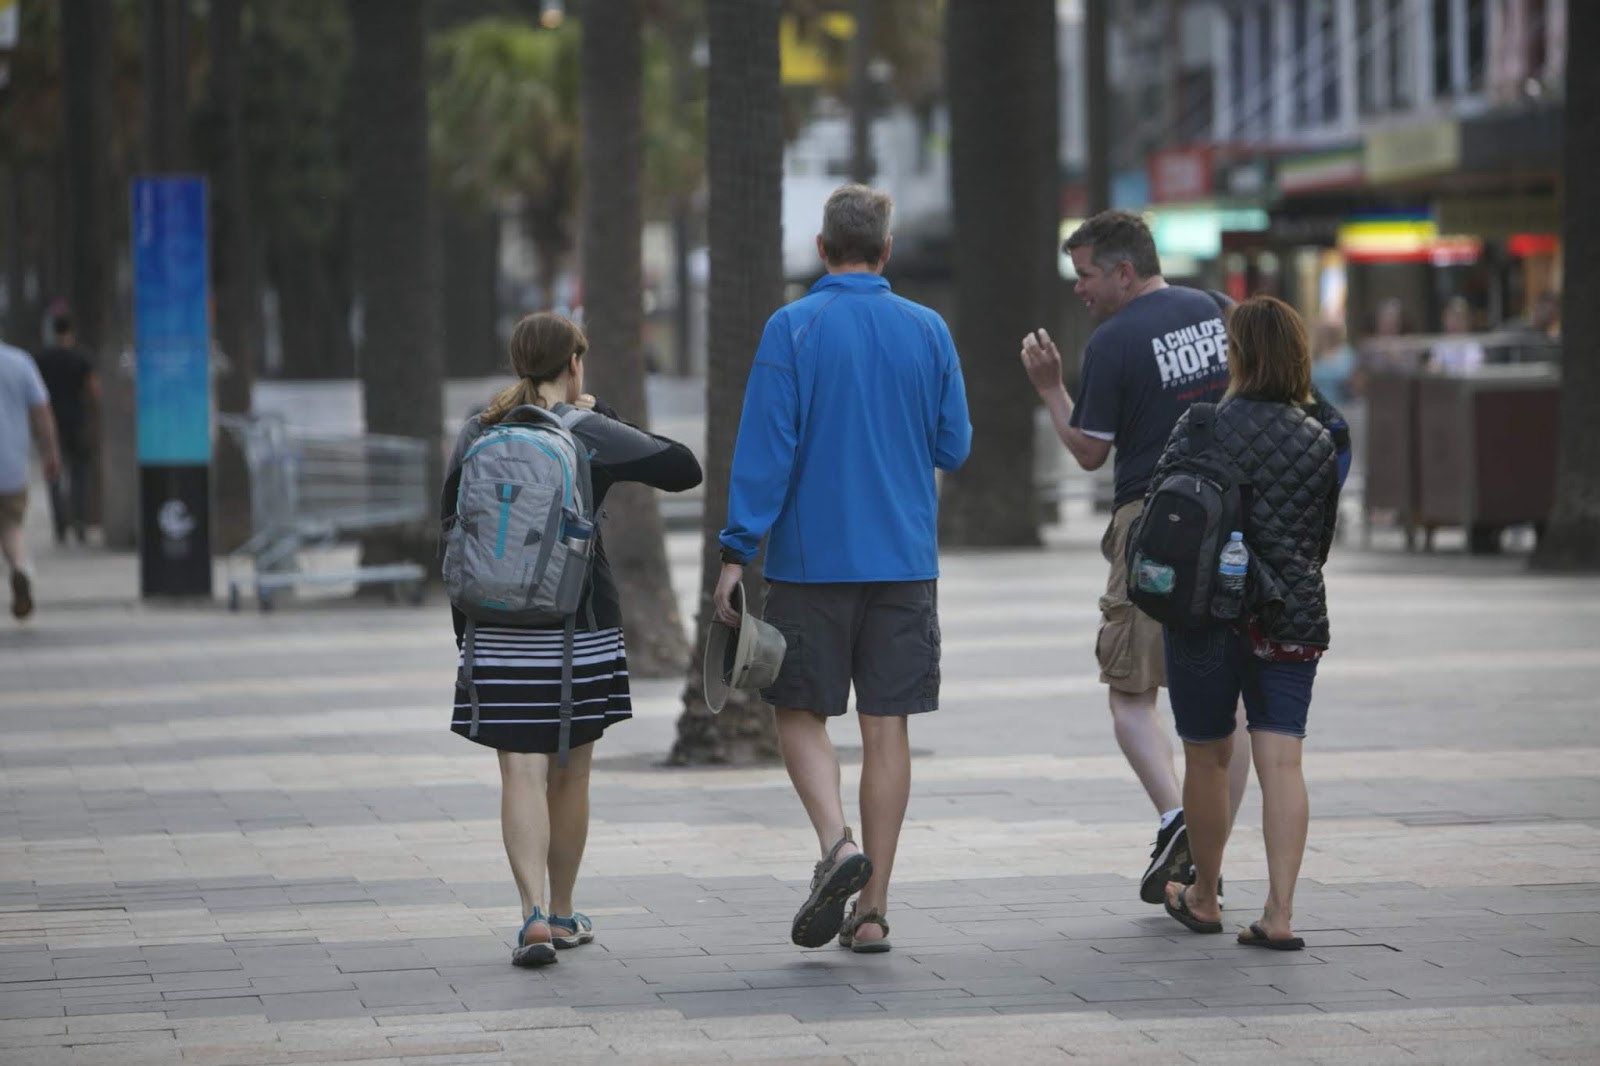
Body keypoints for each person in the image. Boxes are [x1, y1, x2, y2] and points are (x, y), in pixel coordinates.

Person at [714, 183, 971, 954]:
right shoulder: (928, 329)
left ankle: (836, 843)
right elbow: (953, 445)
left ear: (822, 248)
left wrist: (736, 553)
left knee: (799, 712)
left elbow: (766, 450)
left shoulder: (791, 327)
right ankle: (873, 910)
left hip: (809, 564)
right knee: (886, 725)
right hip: (904, 562)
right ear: (886, 251)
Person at [442, 311, 701, 967]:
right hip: (575, 629)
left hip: (493, 629)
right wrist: (602, 413)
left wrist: (468, 634)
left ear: (518, 363)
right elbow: (683, 467)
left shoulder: (479, 428)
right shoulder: (586, 430)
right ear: (574, 363)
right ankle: (561, 911)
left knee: (519, 770)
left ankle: (530, 914)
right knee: (571, 772)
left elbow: (452, 523)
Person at [1019, 209, 1246, 905]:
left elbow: (1090, 451)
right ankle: (1209, 851)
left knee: (1130, 693)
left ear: (1123, 271)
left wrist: (1051, 387)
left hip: (1154, 526)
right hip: (1232, 520)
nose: (1079, 288)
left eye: (1086, 274)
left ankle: (1179, 820)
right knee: (1230, 700)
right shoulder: (1217, 309)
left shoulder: (1113, 340)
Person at [1150, 295, 1340, 952]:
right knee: (1282, 760)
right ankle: (1279, 913)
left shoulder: (1200, 426)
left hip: (1205, 616)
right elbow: (1319, 541)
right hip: (1290, 615)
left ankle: (1205, 896)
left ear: (1237, 355)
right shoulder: (1319, 439)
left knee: (1207, 756)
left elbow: (1163, 515)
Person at [1, 337, 61, 620]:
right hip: (11, 465)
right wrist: (51, 452)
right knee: (11, 525)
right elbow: (41, 411)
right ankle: (19, 569)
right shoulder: (20, 362)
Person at [31, 307, 99, 544]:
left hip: (51, 422)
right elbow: (94, 391)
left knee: (54, 473)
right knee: (80, 473)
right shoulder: (82, 358)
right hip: (77, 421)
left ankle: (60, 525)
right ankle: (80, 521)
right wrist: (93, 418)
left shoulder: (42, 359)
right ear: (72, 332)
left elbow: (36, 396)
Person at [1429, 296, 1485, 373]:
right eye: (1452, 316)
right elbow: (1434, 367)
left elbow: (1473, 370)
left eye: (1460, 317)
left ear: (1467, 321)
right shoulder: (1440, 344)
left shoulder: (1474, 345)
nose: (1455, 322)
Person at [1309, 319, 1356, 405]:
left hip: (1342, 405)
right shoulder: (1314, 354)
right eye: (1320, 333)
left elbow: (1348, 377)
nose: (1323, 336)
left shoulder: (1346, 353)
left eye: (1326, 333)